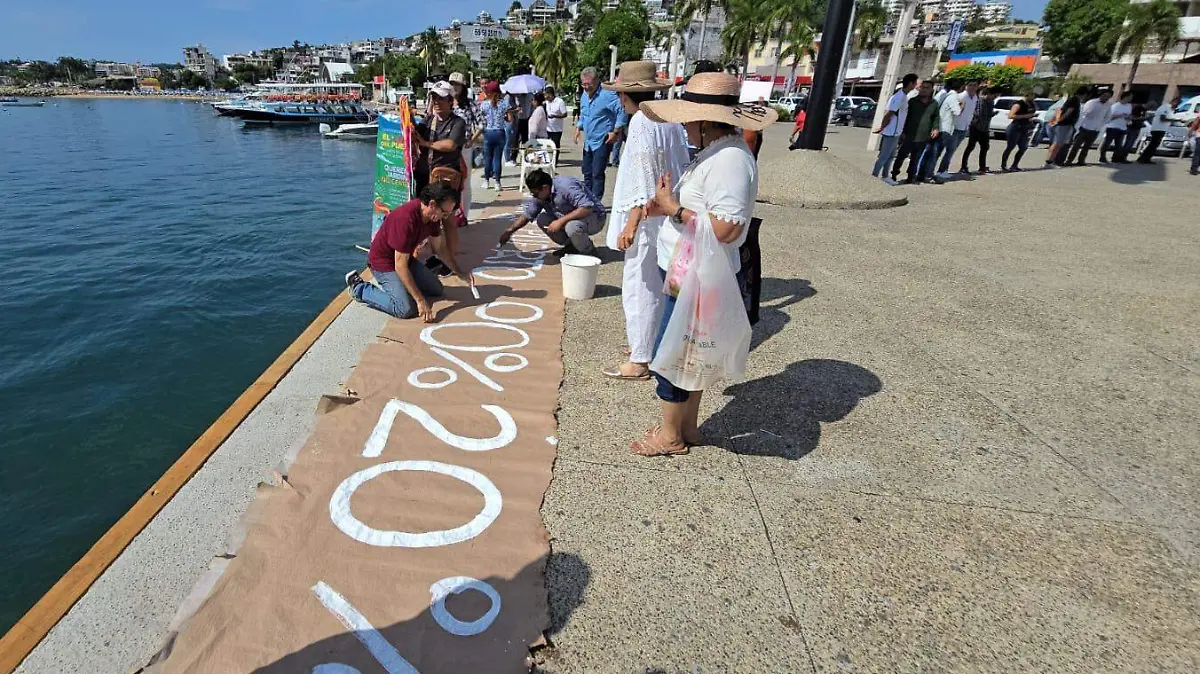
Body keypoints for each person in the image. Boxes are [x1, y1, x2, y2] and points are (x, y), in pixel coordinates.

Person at [630, 71, 775, 457]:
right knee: (690, 350)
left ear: (707, 120)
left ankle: (670, 435)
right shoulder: (719, 153)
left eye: (687, 118)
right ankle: (686, 426)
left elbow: (727, 228)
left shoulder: (729, 160)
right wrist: (665, 207)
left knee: (673, 352)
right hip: (690, 268)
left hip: (698, 273)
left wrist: (672, 208)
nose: (683, 126)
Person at [591, 61, 690, 381]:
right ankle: (646, 343)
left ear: (624, 97)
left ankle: (640, 358)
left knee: (639, 287)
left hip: (647, 219)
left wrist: (630, 225)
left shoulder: (642, 123)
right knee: (657, 286)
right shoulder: (670, 120)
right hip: (666, 215)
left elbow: (644, 181)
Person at [345, 183, 470, 322]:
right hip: (383, 264)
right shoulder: (405, 219)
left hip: (406, 260)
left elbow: (440, 249)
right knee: (405, 309)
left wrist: (459, 272)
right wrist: (420, 300)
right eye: (444, 212)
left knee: (437, 290)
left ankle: (405, 287)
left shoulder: (433, 217)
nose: (445, 217)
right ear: (432, 204)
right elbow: (400, 266)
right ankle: (359, 288)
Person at [498, 170, 606, 256]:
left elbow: (587, 207)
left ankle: (589, 252)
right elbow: (528, 214)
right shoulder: (541, 194)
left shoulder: (566, 186)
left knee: (572, 226)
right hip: (571, 216)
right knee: (542, 219)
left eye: (535, 193)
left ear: (545, 188)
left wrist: (560, 221)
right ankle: (573, 246)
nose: (534, 196)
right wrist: (510, 231)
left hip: (595, 217)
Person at [574, 66, 628, 200]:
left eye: (589, 84)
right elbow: (584, 114)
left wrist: (615, 132)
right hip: (588, 141)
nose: (586, 87)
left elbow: (622, 110)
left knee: (597, 173)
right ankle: (587, 199)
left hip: (603, 140)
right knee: (586, 171)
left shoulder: (607, 95)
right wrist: (578, 127)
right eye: (583, 84)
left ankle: (596, 202)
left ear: (597, 81)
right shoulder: (584, 96)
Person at [872, 73, 919, 184]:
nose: (916, 85)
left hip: (896, 132)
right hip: (890, 132)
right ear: (911, 83)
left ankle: (885, 176)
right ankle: (873, 177)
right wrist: (882, 127)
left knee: (891, 156)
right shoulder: (899, 97)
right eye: (915, 83)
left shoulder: (904, 97)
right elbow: (889, 114)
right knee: (884, 156)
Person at [891, 80, 940, 184]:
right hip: (909, 134)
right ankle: (894, 175)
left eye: (927, 88)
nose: (924, 90)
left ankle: (910, 177)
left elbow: (936, 117)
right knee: (901, 156)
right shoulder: (912, 101)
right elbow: (905, 117)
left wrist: (936, 128)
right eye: (922, 87)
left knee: (915, 158)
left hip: (923, 135)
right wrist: (903, 131)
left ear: (931, 90)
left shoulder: (934, 104)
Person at [450, 72, 481, 221]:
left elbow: (482, 123)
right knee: (450, 180)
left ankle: (465, 215)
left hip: (464, 147)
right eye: (452, 84)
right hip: (449, 147)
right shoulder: (446, 102)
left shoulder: (469, 104)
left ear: (463, 86)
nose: (454, 87)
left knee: (465, 181)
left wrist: (472, 140)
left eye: (457, 84)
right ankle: (452, 213)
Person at [478, 81, 514, 190]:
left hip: (488, 133)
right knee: (497, 159)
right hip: (500, 133)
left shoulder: (484, 104)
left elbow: (481, 119)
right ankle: (497, 183)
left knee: (488, 158)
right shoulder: (504, 104)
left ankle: (486, 181)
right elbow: (510, 119)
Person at [938, 80, 978, 176]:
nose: (972, 87)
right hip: (955, 126)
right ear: (965, 86)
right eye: (970, 85)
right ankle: (941, 171)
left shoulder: (975, 97)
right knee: (948, 150)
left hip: (964, 127)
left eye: (975, 85)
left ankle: (943, 170)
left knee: (951, 151)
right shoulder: (960, 96)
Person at [927, 81, 964, 180]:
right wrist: (962, 105)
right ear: (960, 87)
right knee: (937, 152)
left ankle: (928, 173)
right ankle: (930, 173)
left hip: (940, 126)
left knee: (934, 151)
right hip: (945, 128)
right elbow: (957, 112)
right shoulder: (953, 97)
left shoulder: (946, 95)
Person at [1066, 89, 1112, 165]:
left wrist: (1100, 125)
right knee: (1076, 145)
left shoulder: (1108, 105)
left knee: (1087, 146)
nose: (1106, 98)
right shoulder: (1092, 102)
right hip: (1084, 127)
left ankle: (1081, 160)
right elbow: (1084, 113)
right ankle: (1069, 160)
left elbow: (1107, 117)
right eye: (1105, 95)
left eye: (1108, 96)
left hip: (1095, 129)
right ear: (1101, 95)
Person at [959, 85, 995, 174]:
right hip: (975, 127)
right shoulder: (979, 100)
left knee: (985, 147)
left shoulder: (991, 102)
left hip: (985, 128)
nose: (993, 98)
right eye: (993, 96)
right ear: (988, 94)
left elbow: (988, 114)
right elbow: (976, 112)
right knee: (970, 147)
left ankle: (982, 167)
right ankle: (963, 167)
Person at [1046, 86, 1085, 167]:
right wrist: (1059, 120)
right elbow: (1068, 111)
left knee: (1058, 143)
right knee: (1057, 143)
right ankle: (1049, 162)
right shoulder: (1075, 100)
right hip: (1064, 124)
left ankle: (1051, 161)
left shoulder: (1071, 99)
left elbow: (1061, 110)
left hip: (1066, 124)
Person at [1001, 91, 1039, 172]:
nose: (1034, 98)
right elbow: (1011, 116)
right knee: (1010, 147)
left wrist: (1031, 118)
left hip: (1025, 128)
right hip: (1015, 128)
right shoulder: (1018, 104)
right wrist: (1026, 116)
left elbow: (1031, 113)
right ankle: (1003, 165)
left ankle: (1014, 165)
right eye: (1033, 96)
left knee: (1023, 147)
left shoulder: (1032, 104)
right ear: (1028, 95)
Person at [1138, 97, 1179, 164]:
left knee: (1153, 145)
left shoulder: (1170, 109)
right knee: (1153, 145)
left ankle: (1144, 158)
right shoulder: (1165, 107)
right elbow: (1162, 118)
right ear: (1173, 101)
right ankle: (1144, 159)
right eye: (1177, 103)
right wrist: (1174, 120)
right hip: (1158, 129)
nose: (1177, 105)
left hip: (1161, 129)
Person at [1100, 91, 1133, 163]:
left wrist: (1129, 117)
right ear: (1125, 97)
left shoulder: (1129, 106)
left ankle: (1115, 158)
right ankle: (1102, 157)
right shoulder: (1115, 106)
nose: (1131, 98)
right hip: (1113, 127)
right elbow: (1110, 117)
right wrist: (1121, 115)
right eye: (1130, 97)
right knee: (1107, 143)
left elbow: (1129, 115)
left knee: (1119, 144)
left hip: (1122, 127)